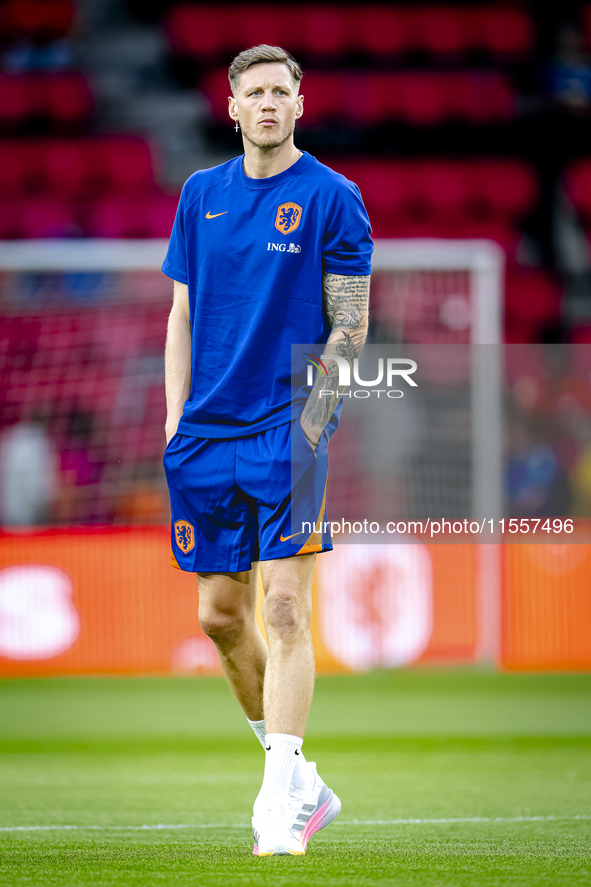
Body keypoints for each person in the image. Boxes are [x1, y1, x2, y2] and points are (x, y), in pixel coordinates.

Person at [162, 44, 372, 857]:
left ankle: (276, 806)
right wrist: (174, 418)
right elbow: (181, 314)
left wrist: (315, 422)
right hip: (205, 435)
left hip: (288, 424)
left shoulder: (331, 196)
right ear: (232, 107)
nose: (268, 103)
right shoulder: (200, 195)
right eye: (254, 93)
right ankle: (303, 782)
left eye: (281, 91)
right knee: (219, 617)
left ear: (299, 103)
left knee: (283, 609)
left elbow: (349, 324)